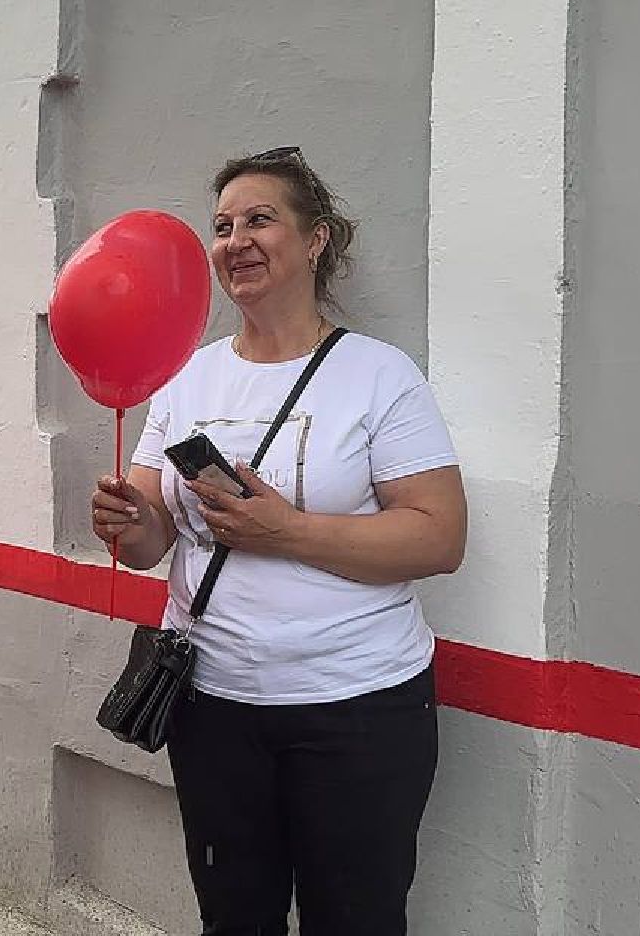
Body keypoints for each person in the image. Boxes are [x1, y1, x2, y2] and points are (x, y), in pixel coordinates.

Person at [90, 147, 468, 936]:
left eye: (260, 219)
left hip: (359, 710)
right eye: (223, 226)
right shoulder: (184, 378)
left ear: (317, 238)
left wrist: (287, 530)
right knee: (235, 919)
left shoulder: (378, 375)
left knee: (355, 921)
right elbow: (154, 541)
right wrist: (131, 522)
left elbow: (438, 538)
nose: (236, 241)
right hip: (213, 708)